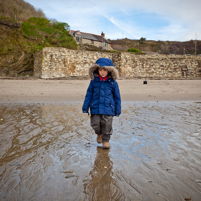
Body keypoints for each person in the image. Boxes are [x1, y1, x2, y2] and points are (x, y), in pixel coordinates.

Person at [82, 58, 121, 149]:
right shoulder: (93, 82)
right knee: (95, 124)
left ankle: (106, 141)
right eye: (100, 70)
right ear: (97, 70)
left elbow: (117, 97)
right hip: (95, 107)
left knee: (107, 125)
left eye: (105, 70)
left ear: (110, 71)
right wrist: (85, 107)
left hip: (108, 108)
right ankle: (99, 133)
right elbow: (89, 94)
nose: (102, 72)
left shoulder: (113, 83)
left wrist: (117, 110)